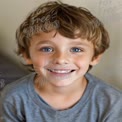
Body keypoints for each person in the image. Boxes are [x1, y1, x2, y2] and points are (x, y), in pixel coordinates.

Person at [0, 1, 122, 122]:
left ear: (95, 57)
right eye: (47, 49)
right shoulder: (13, 97)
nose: (60, 59)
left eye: (76, 49)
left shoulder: (112, 101)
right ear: (27, 55)